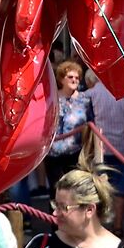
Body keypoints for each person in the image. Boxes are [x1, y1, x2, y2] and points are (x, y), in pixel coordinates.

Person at [12, 169, 124, 248]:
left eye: (63, 207)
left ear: (89, 209)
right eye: (55, 205)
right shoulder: (41, 246)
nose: (55, 213)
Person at [42, 62, 95, 191]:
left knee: (74, 191)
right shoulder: (51, 98)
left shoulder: (85, 99)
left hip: (75, 153)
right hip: (53, 153)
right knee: (55, 192)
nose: (74, 80)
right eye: (70, 77)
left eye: (77, 78)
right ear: (61, 79)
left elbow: (91, 124)